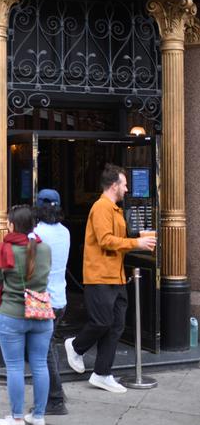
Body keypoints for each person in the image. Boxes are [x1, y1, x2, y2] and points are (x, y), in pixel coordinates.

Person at [64, 164, 156, 393]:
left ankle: (102, 373)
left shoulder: (113, 209)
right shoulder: (101, 208)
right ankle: (75, 346)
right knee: (103, 322)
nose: (127, 189)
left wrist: (138, 239)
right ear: (114, 185)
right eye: (125, 184)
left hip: (116, 276)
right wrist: (136, 243)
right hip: (100, 276)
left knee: (116, 325)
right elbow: (106, 240)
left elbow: (115, 241)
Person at [0, 205, 52, 425]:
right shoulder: (44, 248)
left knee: (15, 367)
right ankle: (38, 416)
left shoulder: (5, 248)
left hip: (12, 314)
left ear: (13, 224)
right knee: (40, 365)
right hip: (41, 314)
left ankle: (17, 418)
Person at [33, 189, 70, 415]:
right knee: (49, 347)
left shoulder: (36, 234)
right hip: (61, 298)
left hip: (42, 299)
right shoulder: (65, 232)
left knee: (43, 353)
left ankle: (55, 399)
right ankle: (56, 393)